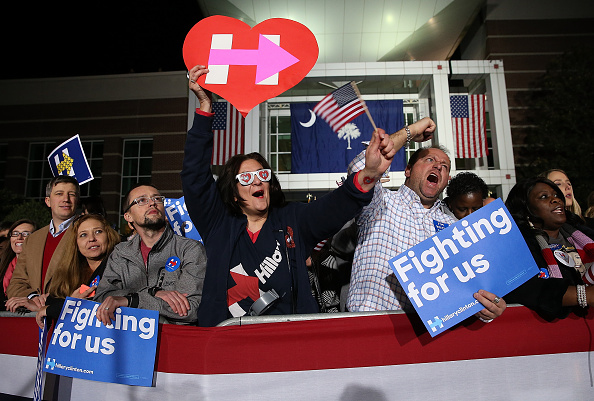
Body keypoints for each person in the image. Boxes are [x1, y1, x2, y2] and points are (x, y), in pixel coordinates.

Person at [181, 65, 398, 327]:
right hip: (227, 344)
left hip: (289, 342)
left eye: (263, 175)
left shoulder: (293, 219)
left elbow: (335, 206)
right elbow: (194, 178)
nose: (258, 181)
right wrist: (205, 108)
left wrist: (370, 173)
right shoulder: (218, 224)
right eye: (247, 178)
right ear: (234, 193)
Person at [347, 144, 506, 322]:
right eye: (429, 160)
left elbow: (470, 288)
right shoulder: (380, 202)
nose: (438, 166)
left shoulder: (453, 227)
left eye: (444, 166)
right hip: (372, 326)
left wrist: (488, 308)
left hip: (428, 336)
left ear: (447, 180)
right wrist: (411, 132)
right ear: (408, 170)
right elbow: (360, 170)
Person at [93, 183, 207, 325]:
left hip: (172, 340)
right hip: (129, 340)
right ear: (128, 216)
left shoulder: (189, 249)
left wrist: (132, 300)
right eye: (141, 200)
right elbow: (103, 297)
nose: (152, 203)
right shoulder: (120, 253)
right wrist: (152, 292)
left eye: (157, 199)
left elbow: (191, 309)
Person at [505, 177, 594, 320]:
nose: (555, 200)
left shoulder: (586, 232)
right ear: (525, 208)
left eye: (556, 195)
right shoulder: (518, 247)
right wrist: (584, 294)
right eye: (544, 197)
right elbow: (525, 288)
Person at [6, 176, 79, 312]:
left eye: (72, 194)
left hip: (68, 316)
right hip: (33, 319)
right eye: (59, 194)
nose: (66, 199)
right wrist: (33, 297)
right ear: (48, 201)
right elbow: (16, 283)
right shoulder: (33, 239)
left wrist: (50, 301)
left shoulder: (86, 234)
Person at [35, 214, 119, 328]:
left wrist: (70, 304)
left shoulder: (120, 263)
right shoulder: (69, 270)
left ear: (109, 235)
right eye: (83, 235)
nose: (91, 239)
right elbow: (51, 302)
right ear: (76, 243)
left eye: (98, 232)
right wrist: (68, 303)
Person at [0, 220, 37, 310]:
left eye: (26, 234)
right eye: (15, 234)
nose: (19, 237)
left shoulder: (40, 266)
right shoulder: (3, 264)